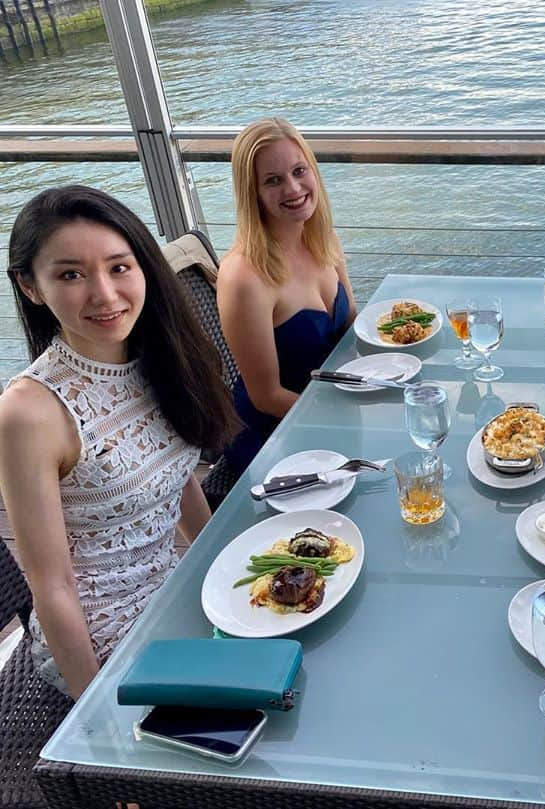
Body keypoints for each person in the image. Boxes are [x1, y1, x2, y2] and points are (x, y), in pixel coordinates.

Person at [0, 186, 237, 698]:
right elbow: (51, 584)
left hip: (175, 597)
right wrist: (97, 712)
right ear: (30, 287)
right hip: (101, 643)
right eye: (71, 274)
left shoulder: (157, 359)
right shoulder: (30, 412)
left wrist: (228, 571)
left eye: (118, 267)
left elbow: (177, 481)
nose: (104, 295)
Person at [218, 117, 356, 473]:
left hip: (336, 410)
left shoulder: (323, 239)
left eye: (299, 170)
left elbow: (351, 326)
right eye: (273, 180)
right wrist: (342, 418)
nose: (293, 189)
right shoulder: (244, 277)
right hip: (276, 438)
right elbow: (266, 396)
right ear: (254, 194)